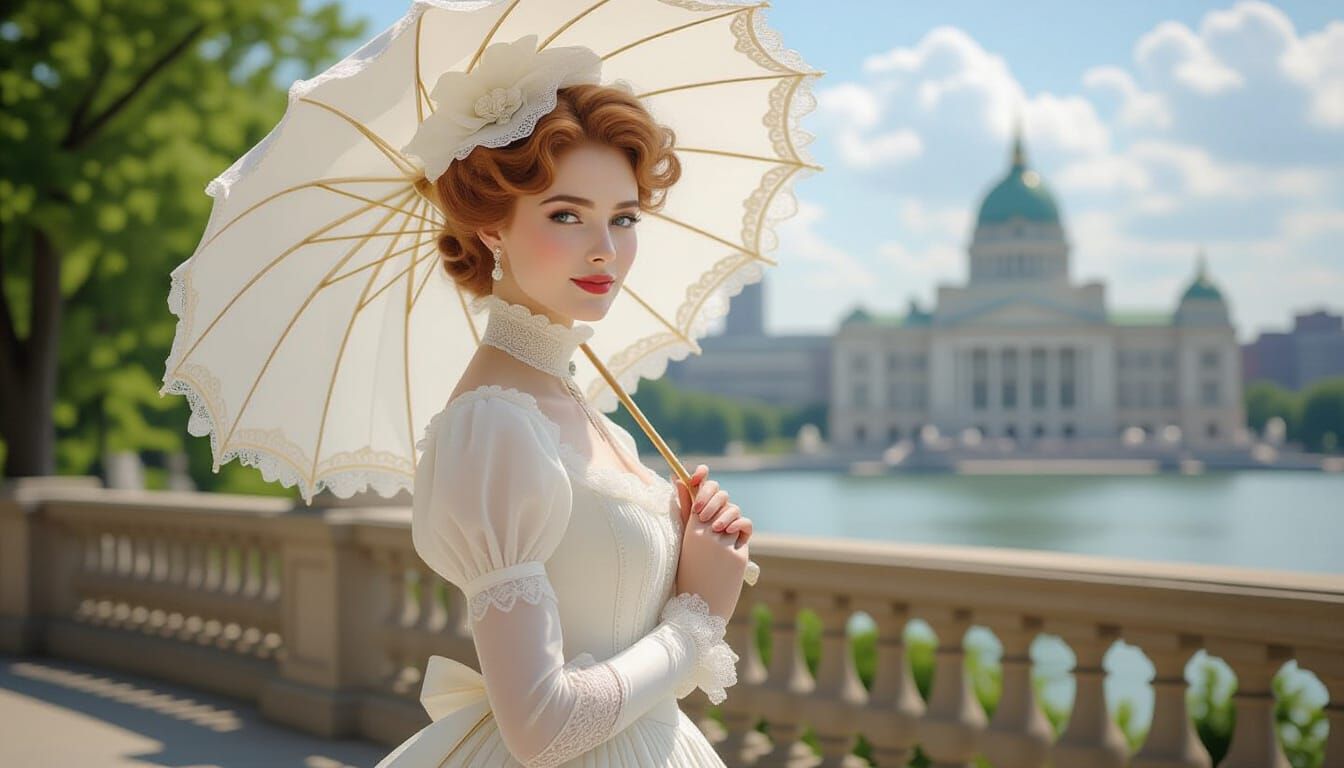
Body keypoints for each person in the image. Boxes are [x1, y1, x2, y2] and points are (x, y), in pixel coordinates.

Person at [372, 78, 754, 768]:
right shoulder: (492, 426)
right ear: (493, 225)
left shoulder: (579, 405)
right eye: (566, 216)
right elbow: (541, 730)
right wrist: (695, 620)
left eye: (625, 218)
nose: (605, 248)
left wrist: (693, 545)